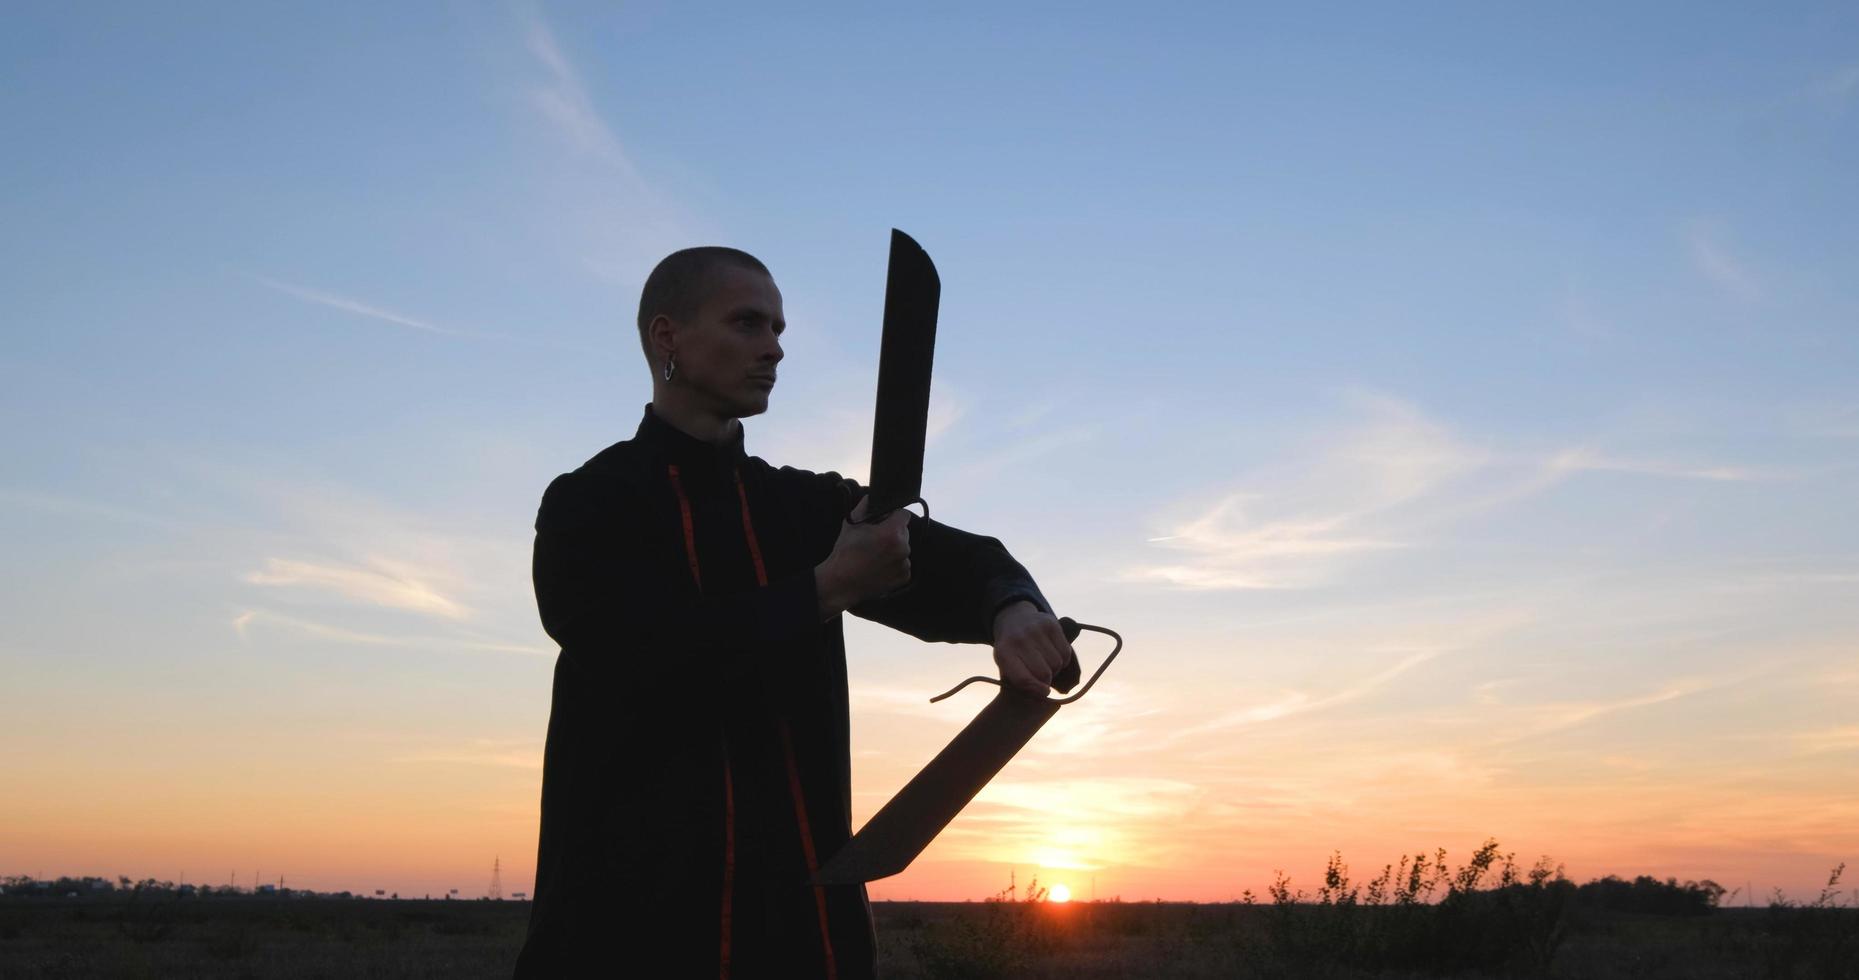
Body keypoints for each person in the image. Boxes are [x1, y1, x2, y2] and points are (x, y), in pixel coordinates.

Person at [512, 246, 1074, 977]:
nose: (774, 348)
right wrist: (826, 588)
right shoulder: (588, 503)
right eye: (747, 323)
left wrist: (1013, 609)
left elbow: (965, 564)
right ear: (666, 336)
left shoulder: (804, 506)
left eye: (778, 329)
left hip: (802, 925)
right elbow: (633, 651)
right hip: (627, 920)